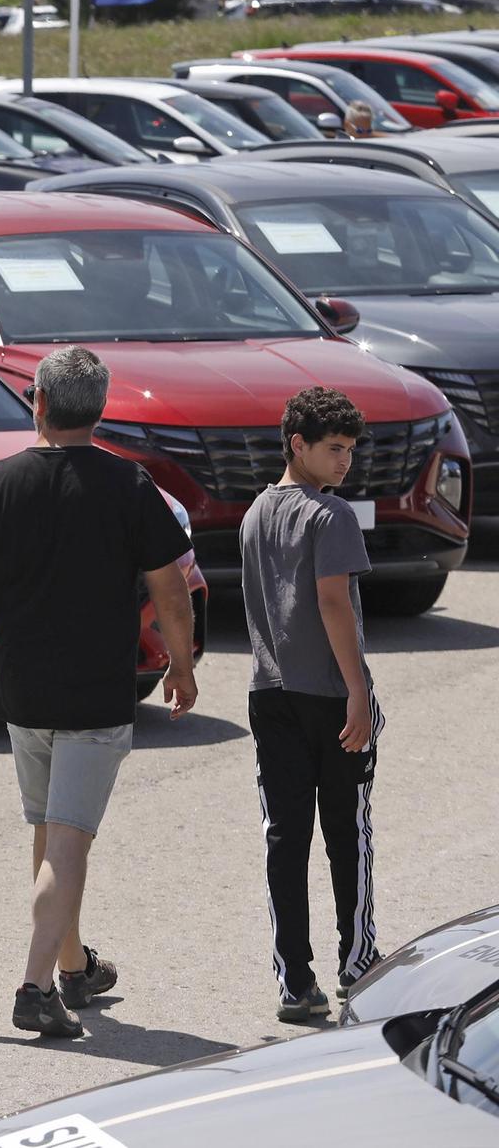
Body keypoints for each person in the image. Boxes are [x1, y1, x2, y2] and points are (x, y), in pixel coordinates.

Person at [0, 346, 198, 1040]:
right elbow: (171, 588)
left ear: (37, 402)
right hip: (95, 697)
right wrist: (181, 666)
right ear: (100, 409)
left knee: (50, 834)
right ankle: (35, 986)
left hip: (23, 693)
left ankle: (73, 968)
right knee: (67, 842)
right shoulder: (129, 484)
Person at [239, 387, 384, 1024]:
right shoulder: (332, 516)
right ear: (297, 444)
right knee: (348, 832)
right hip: (328, 694)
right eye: (334, 449)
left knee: (286, 836)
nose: (345, 461)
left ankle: (294, 979)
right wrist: (359, 690)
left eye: (350, 450)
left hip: (269, 693)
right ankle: (358, 961)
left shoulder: (254, 513)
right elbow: (332, 602)